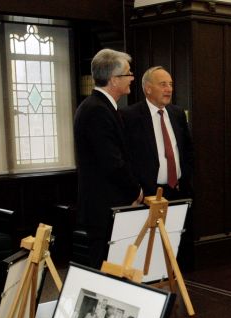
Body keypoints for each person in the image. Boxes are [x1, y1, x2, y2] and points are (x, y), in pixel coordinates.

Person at [74, 48, 143, 269]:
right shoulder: (97, 110)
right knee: (105, 269)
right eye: (128, 73)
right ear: (114, 79)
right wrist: (136, 190)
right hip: (103, 205)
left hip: (107, 203)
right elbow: (112, 162)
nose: (132, 78)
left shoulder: (101, 107)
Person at [122, 66, 196, 269]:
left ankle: (182, 283)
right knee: (150, 252)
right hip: (149, 194)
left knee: (180, 249)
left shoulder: (177, 113)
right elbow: (126, 157)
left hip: (178, 191)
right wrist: (137, 189)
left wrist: (185, 179)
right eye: (163, 84)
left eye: (170, 84)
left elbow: (188, 150)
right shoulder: (129, 116)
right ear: (148, 88)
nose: (169, 89)